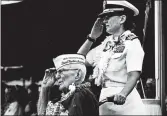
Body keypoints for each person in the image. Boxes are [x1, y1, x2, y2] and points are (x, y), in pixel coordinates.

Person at [77, 0, 146, 115]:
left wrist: (123, 94)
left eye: (108, 17)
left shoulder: (132, 42)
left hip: (126, 102)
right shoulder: (106, 43)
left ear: (122, 19)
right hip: (105, 100)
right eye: (104, 18)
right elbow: (78, 60)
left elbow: (134, 75)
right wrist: (92, 37)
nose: (104, 22)